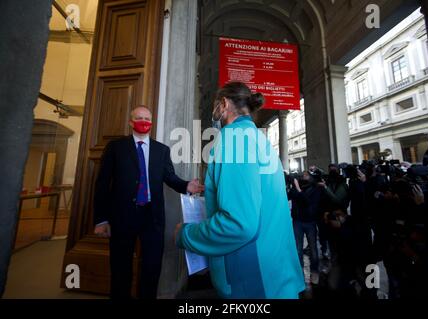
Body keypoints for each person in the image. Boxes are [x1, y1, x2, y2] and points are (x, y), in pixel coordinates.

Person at [174, 82, 305, 299]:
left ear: (224, 104)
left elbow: (238, 224)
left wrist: (185, 234)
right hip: (273, 273)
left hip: (251, 281)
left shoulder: (234, 139)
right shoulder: (256, 138)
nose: (214, 112)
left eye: (216, 105)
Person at [93, 106, 204, 299]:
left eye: (147, 118)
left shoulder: (162, 150)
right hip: (122, 217)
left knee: (152, 268)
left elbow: (170, 178)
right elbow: (103, 184)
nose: (144, 121)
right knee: (120, 268)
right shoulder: (116, 147)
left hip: (152, 218)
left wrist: (187, 185)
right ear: (131, 122)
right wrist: (101, 219)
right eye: (139, 118)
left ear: (152, 123)